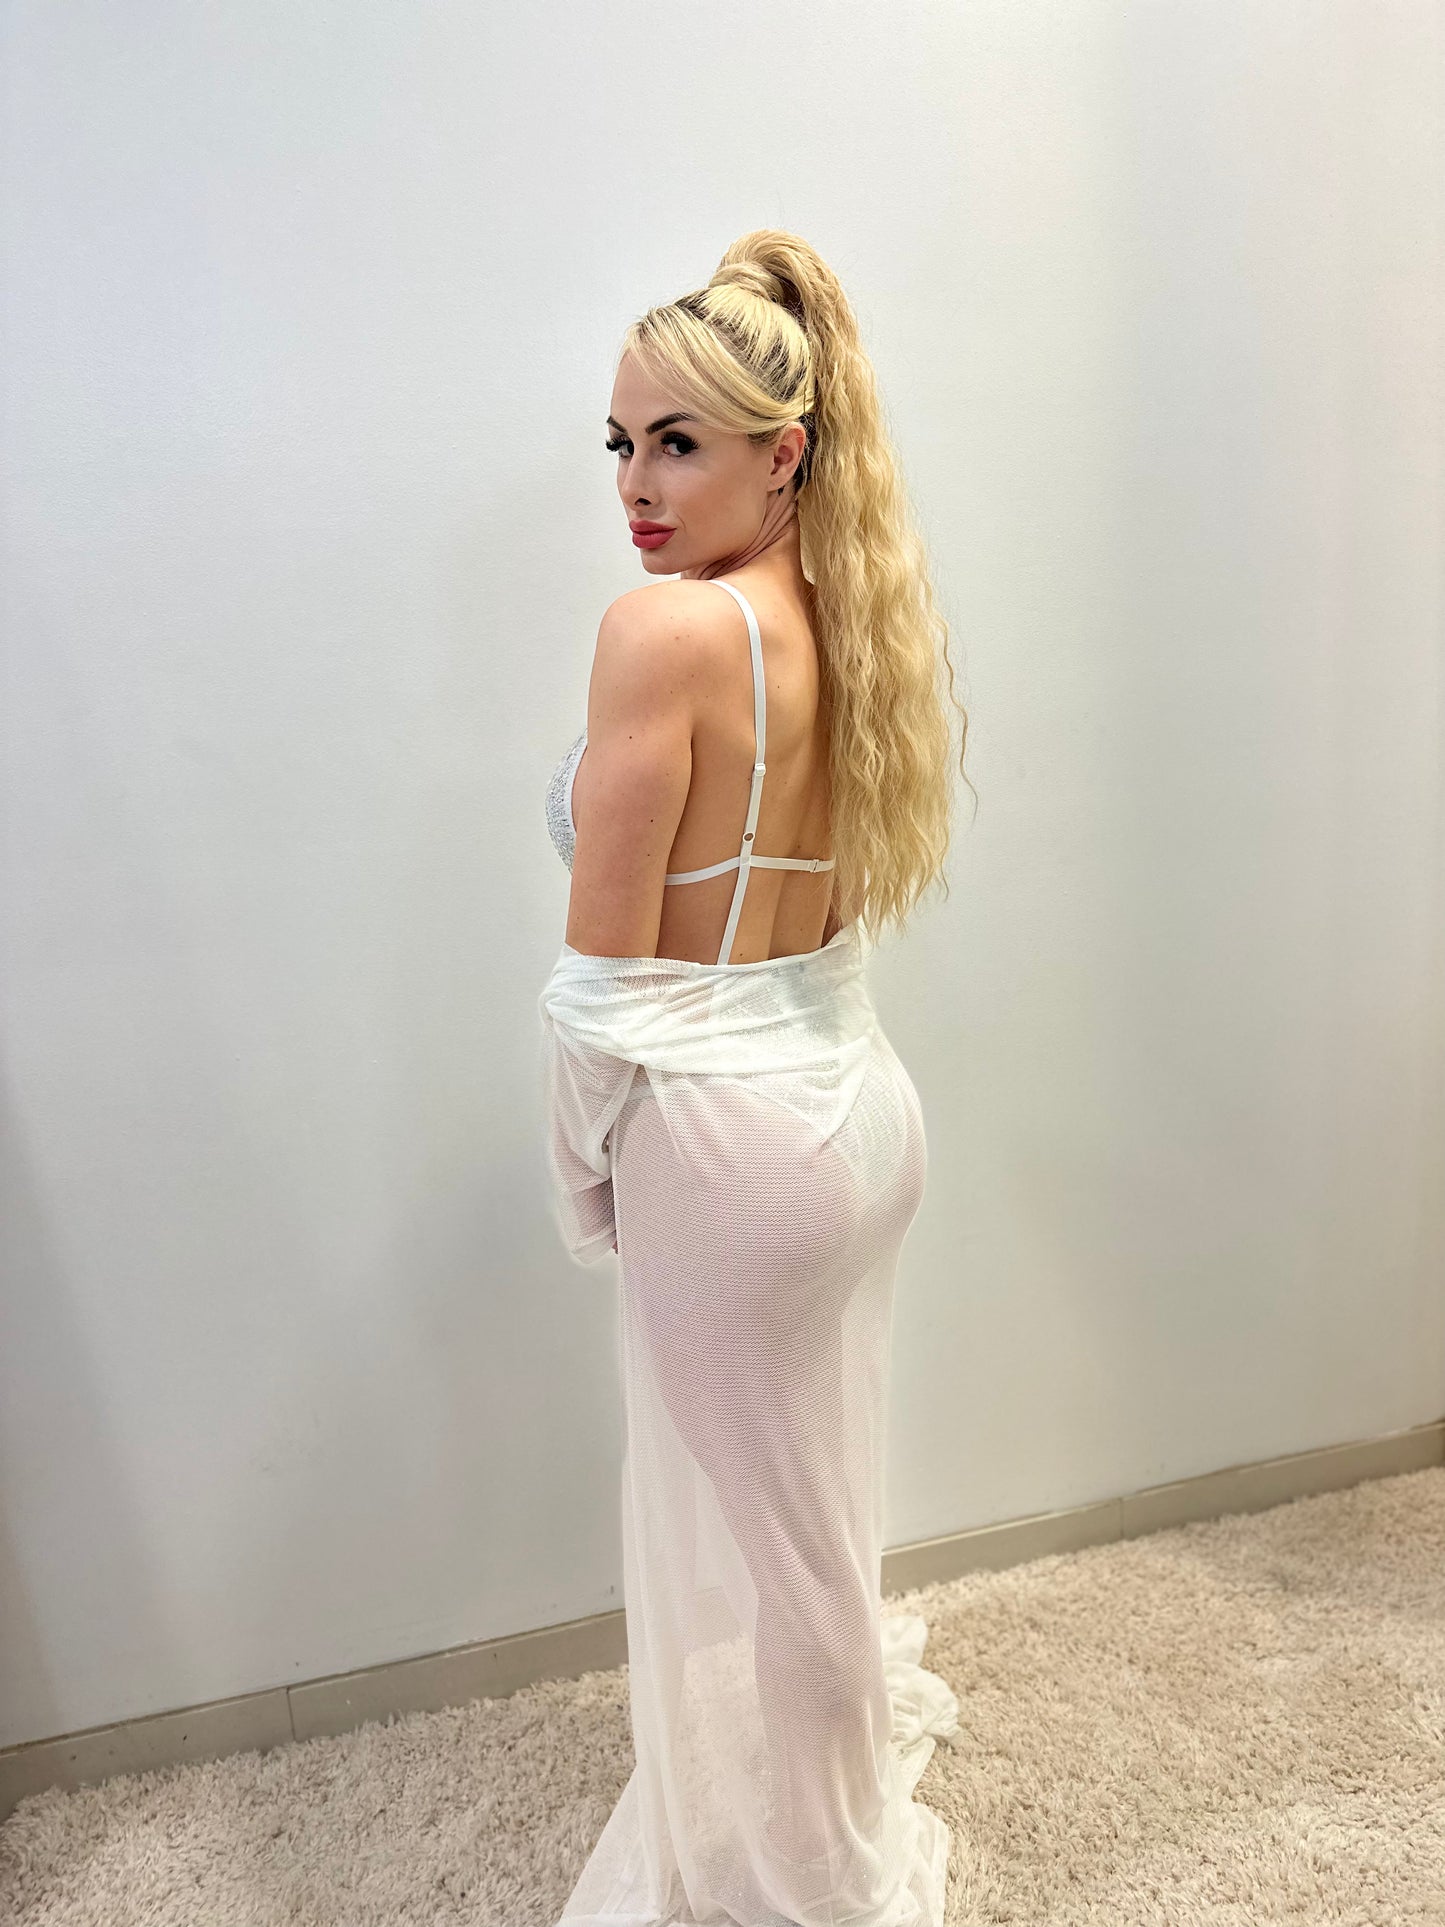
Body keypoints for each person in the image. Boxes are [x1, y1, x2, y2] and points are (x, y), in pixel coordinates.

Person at [539, 229, 973, 1927]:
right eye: (620, 443)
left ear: (782, 454)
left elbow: (606, 977)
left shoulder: (664, 633)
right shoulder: (858, 614)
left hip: (728, 1158)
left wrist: (583, 1175)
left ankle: (828, 1882)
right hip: (859, 1118)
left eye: (678, 443)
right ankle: (826, 1809)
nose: (635, 487)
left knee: (787, 1556)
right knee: (818, 1514)